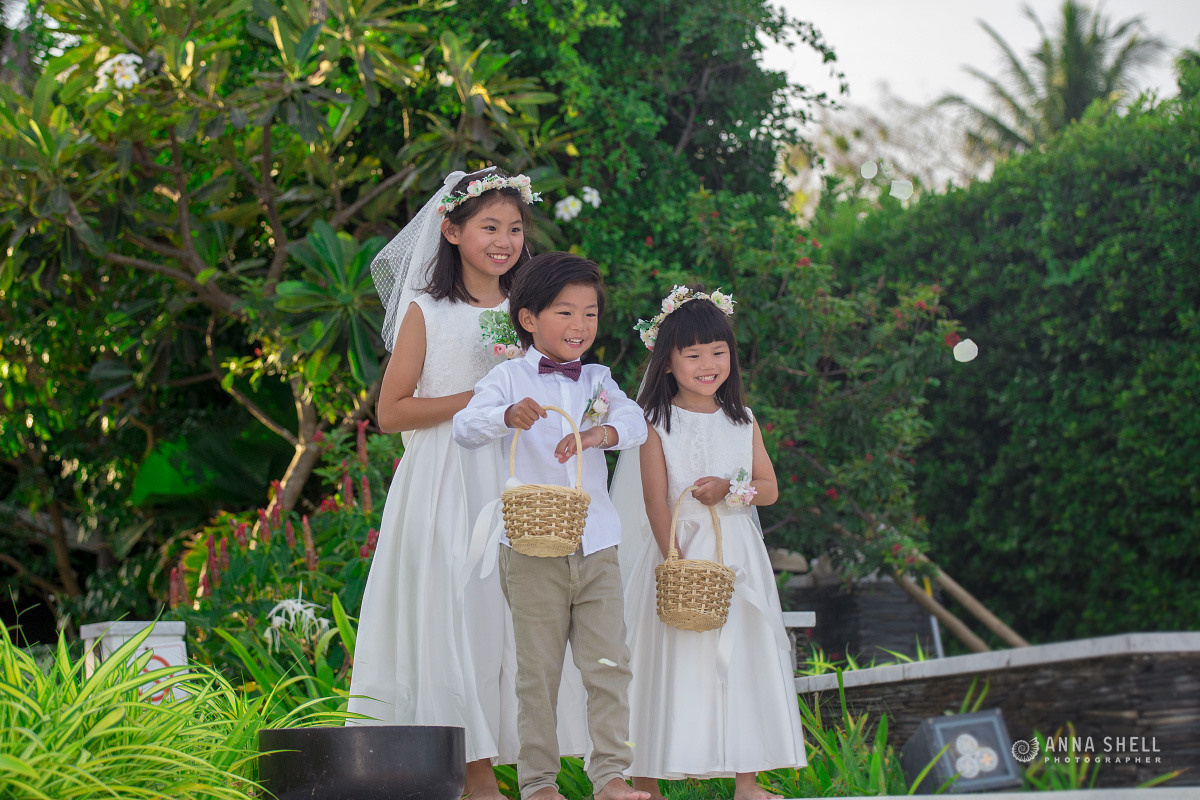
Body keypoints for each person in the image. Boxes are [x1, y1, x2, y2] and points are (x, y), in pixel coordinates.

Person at [347, 167, 586, 800]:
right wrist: (478, 398)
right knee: (464, 616)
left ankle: (535, 772)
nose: (505, 240)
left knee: (525, 619)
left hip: (519, 477)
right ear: (451, 230)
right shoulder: (429, 310)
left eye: (515, 227)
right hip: (451, 479)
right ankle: (474, 775)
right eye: (489, 227)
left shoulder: (527, 311)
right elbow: (392, 411)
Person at [453, 252, 651, 800]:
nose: (580, 326)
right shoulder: (509, 377)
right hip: (530, 545)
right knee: (536, 672)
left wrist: (597, 435)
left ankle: (610, 776)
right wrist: (505, 416)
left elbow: (633, 420)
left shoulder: (598, 378)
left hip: (598, 543)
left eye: (590, 314)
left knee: (609, 664)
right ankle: (539, 783)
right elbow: (466, 427)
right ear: (529, 319)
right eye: (565, 312)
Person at [613, 287, 807, 800]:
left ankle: (747, 780)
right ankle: (645, 780)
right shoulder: (655, 422)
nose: (707, 364)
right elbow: (655, 498)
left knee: (743, 657)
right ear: (668, 361)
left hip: (735, 555)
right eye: (693, 354)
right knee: (663, 660)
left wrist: (731, 488)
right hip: (678, 549)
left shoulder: (742, 419)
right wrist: (672, 556)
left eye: (717, 352)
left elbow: (769, 488)